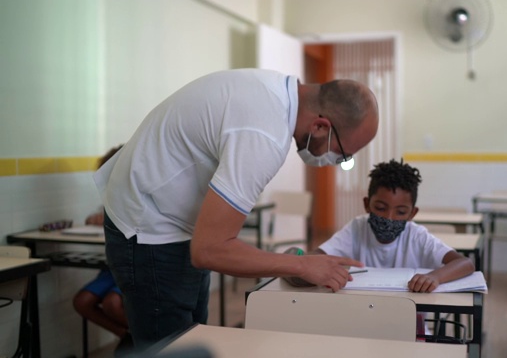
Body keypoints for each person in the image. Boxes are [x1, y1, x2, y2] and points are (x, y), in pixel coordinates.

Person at [94, 68, 379, 348]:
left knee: (193, 339)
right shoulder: (265, 135)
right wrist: (302, 264)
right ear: (320, 126)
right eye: (343, 155)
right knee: (170, 348)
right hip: (146, 227)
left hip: (175, 222)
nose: (336, 161)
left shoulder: (276, 90)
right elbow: (209, 250)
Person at [284, 159, 475, 334]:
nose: (389, 218)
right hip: (360, 324)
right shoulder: (357, 229)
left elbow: (466, 263)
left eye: (400, 212)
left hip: (410, 328)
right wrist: (299, 259)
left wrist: (435, 276)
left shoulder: (417, 236)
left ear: (412, 213)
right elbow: (315, 257)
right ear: (367, 205)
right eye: (381, 208)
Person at [73, 145, 133, 354]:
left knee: (112, 303)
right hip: (112, 267)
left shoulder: (137, 199)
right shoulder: (111, 200)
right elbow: (94, 217)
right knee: (82, 302)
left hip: (132, 266)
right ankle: (128, 335)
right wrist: (96, 218)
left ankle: (142, 340)